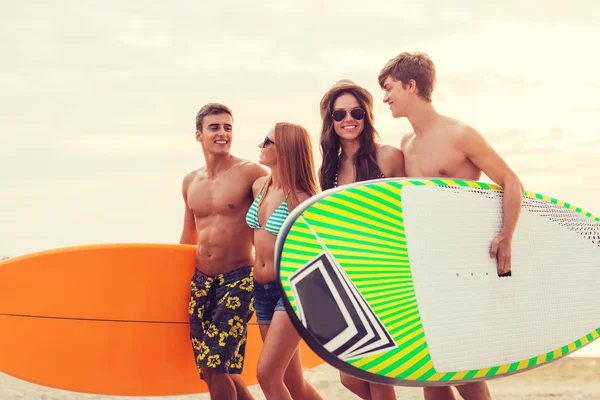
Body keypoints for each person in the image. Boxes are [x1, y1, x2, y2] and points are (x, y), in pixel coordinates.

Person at [378, 51, 524, 400]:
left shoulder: (461, 135)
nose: (385, 97)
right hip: (426, 264)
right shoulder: (407, 143)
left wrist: (506, 235)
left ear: (411, 85)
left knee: (461, 363)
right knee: (432, 371)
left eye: (389, 88)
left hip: (464, 265)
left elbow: (511, 181)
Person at [318, 79, 406, 400]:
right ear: (330, 121)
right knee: (351, 378)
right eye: (339, 115)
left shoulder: (389, 157)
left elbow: (411, 213)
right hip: (347, 278)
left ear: (367, 115)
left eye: (355, 112)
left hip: (385, 274)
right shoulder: (328, 170)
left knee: (378, 376)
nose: (348, 119)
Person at [180, 103, 268, 400]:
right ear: (198, 135)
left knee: (212, 364)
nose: (222, 133)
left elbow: (270, 221)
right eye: (214, 127)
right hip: (202, 282)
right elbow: (187, 236)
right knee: (219, 371)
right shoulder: (190, 181)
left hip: (240, 280)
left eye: (227, 127)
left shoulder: (252, 172)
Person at [246, 122, 323, 400]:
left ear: (286, 149)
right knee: (292, 379)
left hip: (289, 292)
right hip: (261, 290)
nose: (261, 146)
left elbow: (317, 252)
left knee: (267, 375)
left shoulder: (303, 198)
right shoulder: (259, 187)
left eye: (267, 142)